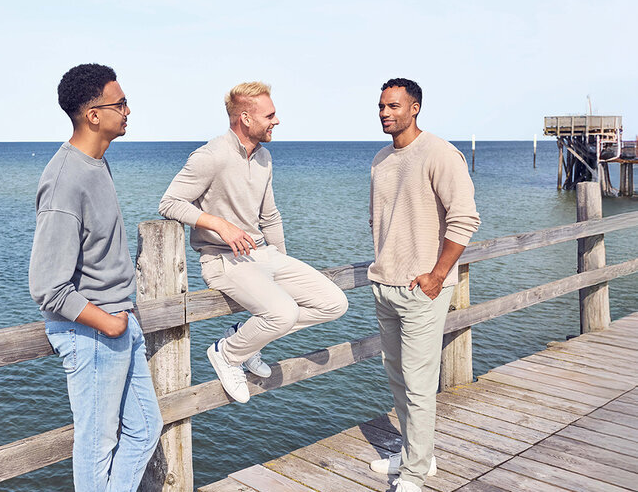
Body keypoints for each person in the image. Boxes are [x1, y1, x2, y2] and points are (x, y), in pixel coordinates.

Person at [158, 82, 347, 403]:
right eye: (270, 115)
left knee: (334, 303)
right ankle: (228, 353)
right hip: (223, 259)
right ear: (245, 118)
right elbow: (170, 202)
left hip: (265, 255)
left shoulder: (265, 157)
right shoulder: (211, 156)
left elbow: (270, 216)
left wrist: (281, 262)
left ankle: (246, 341)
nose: (276, 121)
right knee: (283, 313)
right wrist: (220, 225)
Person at [29, 63, 161, 491]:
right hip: (93, 333)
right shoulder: (66, 180)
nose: (128, 110)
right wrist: (108, 321)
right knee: (96, 445)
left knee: (145, 429)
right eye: (119, 103)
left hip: (119, 323)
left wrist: (122, 318)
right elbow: (47, 286)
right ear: (93, 115)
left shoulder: (96, 164)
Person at [367, 78, 480, 492]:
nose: (385, 112)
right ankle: (418, 454)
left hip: (422, 289)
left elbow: (465, 217)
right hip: (384, 284)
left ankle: (415, 474)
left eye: (394, 106)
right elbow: (378, 220)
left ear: (415, 108)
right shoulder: (380, 160)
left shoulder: (439, 154)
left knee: (418, 383)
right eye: (381, 106)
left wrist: (436, 274)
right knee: (396, 376)